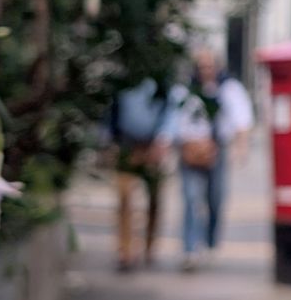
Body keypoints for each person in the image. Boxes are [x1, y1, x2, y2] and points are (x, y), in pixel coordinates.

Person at [176, 49, 253, 271]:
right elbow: (175, 120)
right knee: (191, 198)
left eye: (209, 66)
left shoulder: (229, 89)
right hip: (190, 151)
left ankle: (209, 243)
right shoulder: (186, 90)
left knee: (215, 199)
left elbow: (242, 119)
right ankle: (190, 249)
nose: (205, 71)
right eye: (201, 66)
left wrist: (241, 147)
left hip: (217, 151)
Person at [108, 76, 181, 271]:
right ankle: (125, 251)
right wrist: (110, 141)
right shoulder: (123, 80)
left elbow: (170, 111)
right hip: (126, 144)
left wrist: (163, 140)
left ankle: (149, 247)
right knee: (124, 199)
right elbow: (112, 111)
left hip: (152, 145)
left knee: (154, 199)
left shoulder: (160, 80)